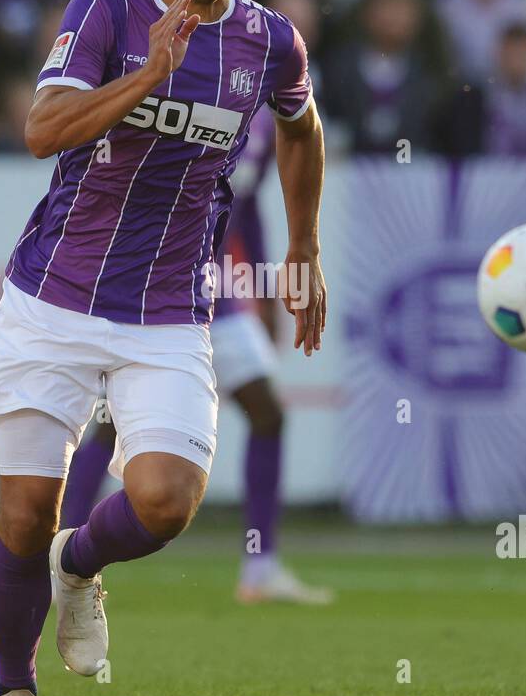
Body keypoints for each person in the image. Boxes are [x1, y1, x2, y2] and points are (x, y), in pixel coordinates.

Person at [0, 0, 328, 696]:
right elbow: (42, 128)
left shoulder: (270, 41)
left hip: (169, 309)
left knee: (166, 500)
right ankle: (14, 692)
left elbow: (301, 126)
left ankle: (79, 566)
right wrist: (145, 78)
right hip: (53, 295)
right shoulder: (108, 7)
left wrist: (305, 249)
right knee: (20, 512)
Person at [59, 106, 334, 605]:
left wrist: (267, 295)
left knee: (267, 412)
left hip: (219, 296)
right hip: (156, 287)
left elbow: (246, 209)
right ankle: (60, 552)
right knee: (112, 421)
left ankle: (260, 566)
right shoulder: (191, 97)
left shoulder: (267, 119)